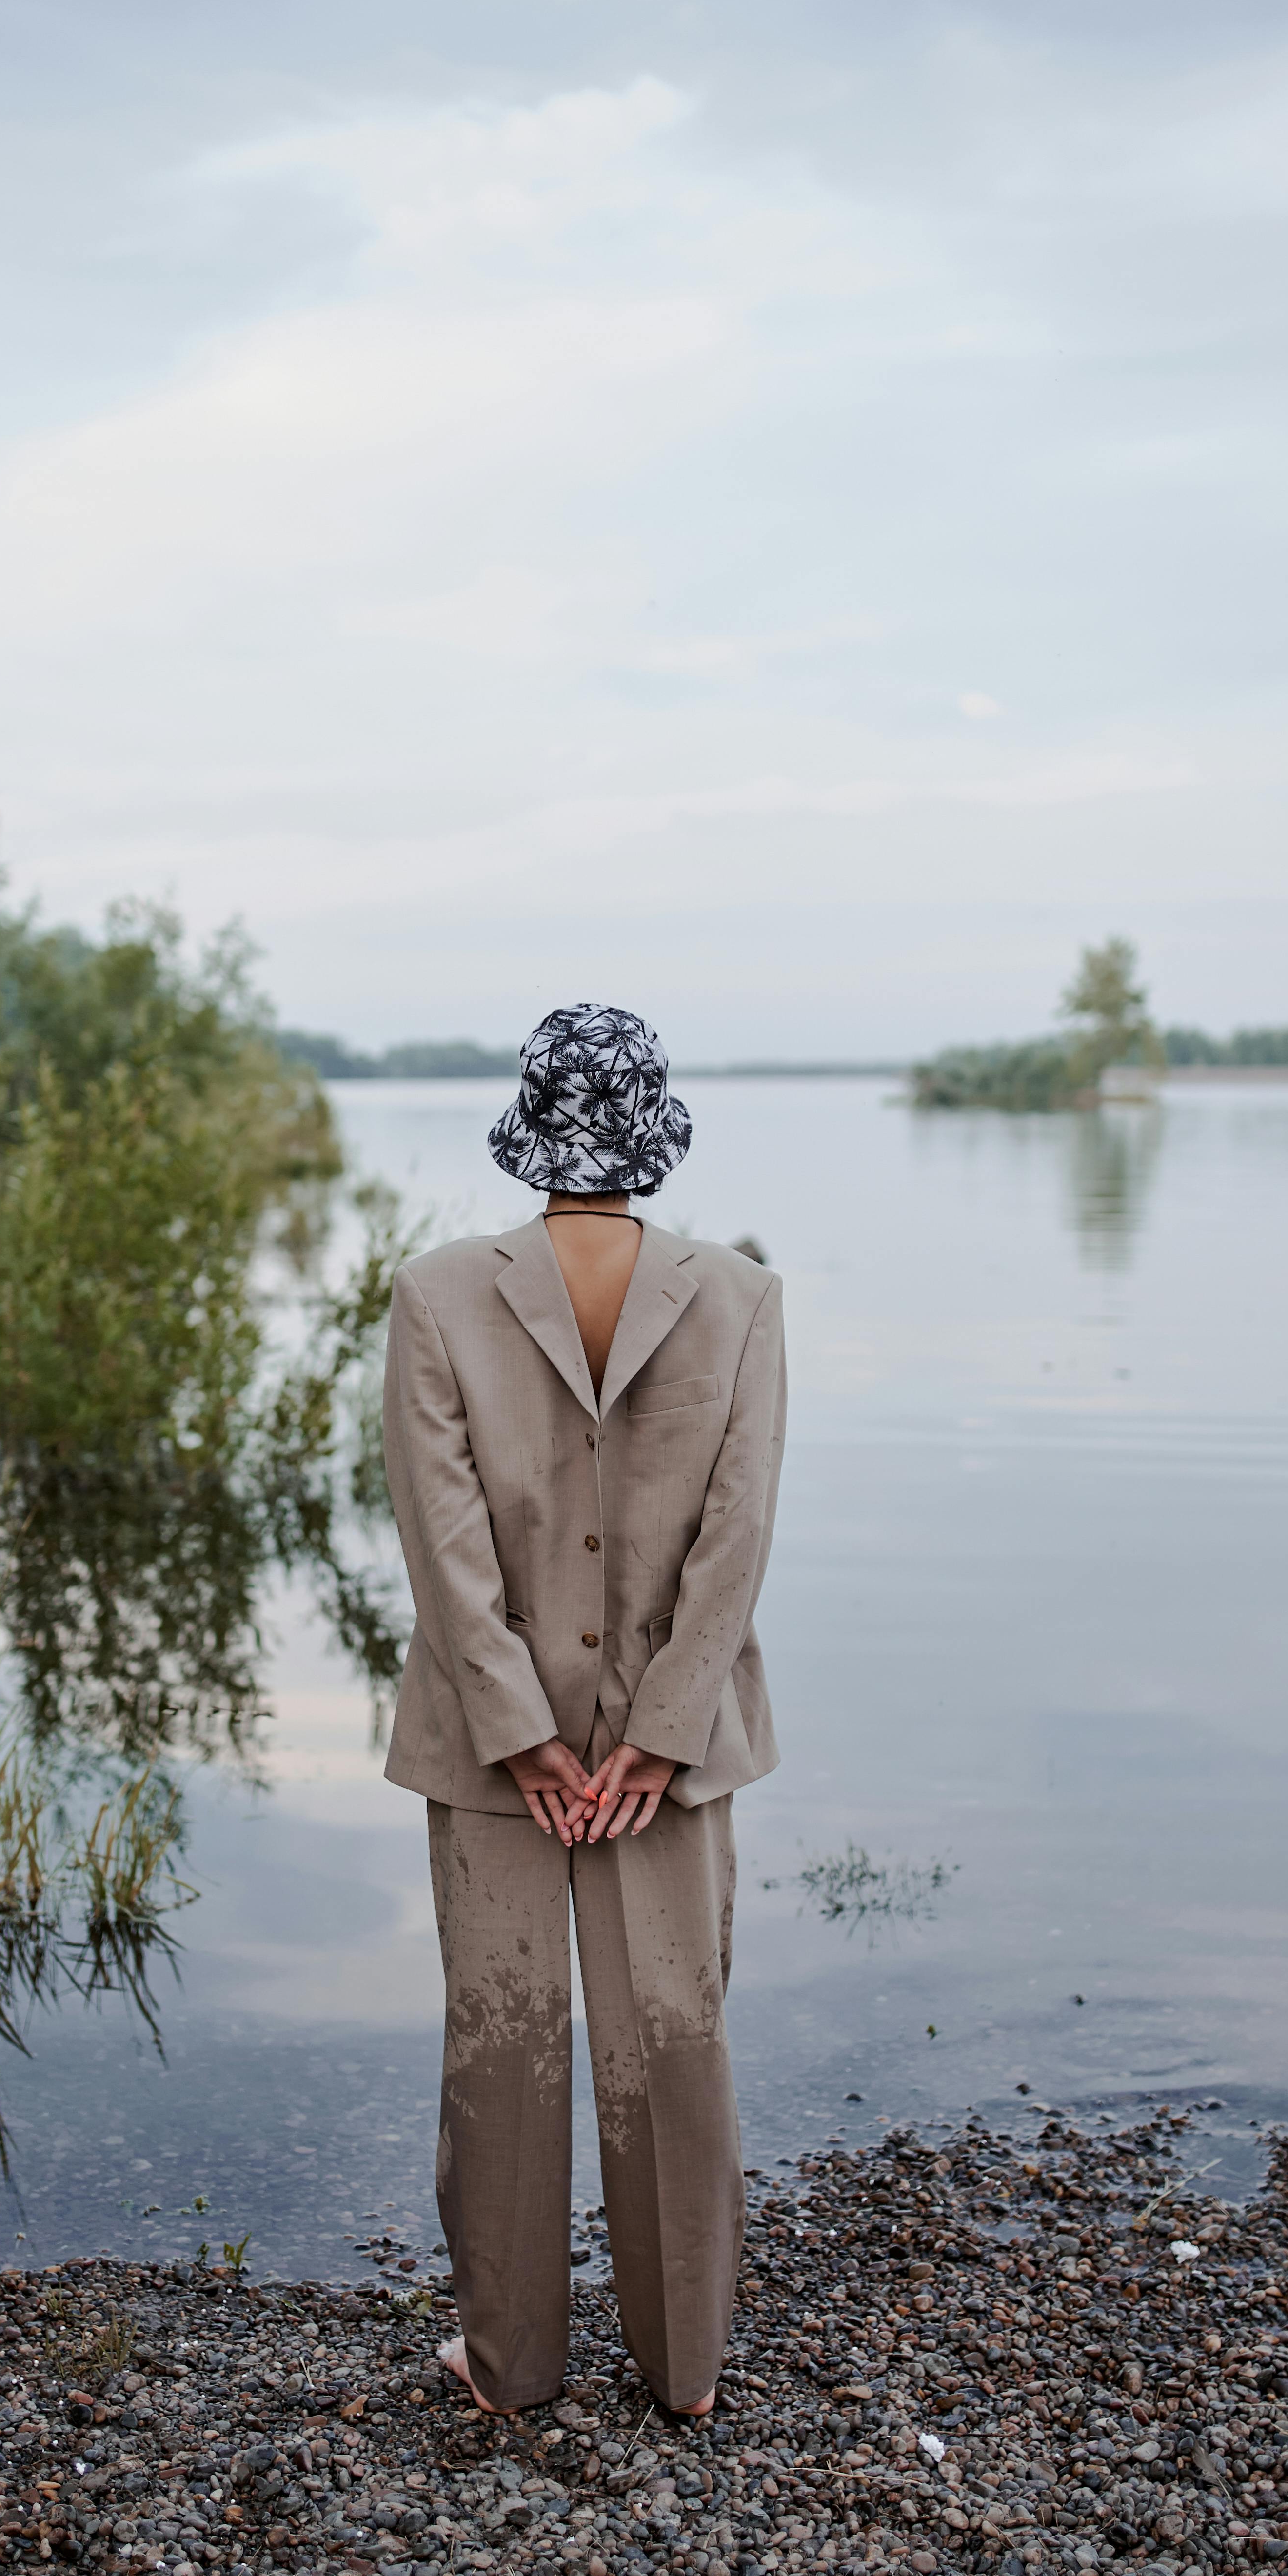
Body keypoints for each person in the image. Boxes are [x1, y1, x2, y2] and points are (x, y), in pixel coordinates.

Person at [379, 1002, 787, 2420]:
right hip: (670, 1753)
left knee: (503, 2038)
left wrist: (522, 1730)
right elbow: (737, 1543)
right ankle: (684, 2373)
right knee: (675, 2034)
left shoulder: (436, 1292)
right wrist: (662, 1731)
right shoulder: (738, 1294)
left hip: (497, 1747)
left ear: (529, 1130)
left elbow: (442, 1545)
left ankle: (512, 2368)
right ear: (657, 1130)